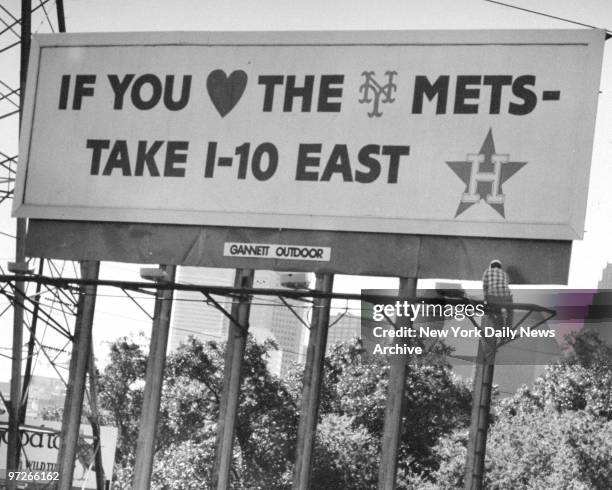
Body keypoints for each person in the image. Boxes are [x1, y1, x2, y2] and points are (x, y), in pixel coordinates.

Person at [482, 259, 513, 329]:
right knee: (510, 312)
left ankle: (496, 327)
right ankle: (508, 330)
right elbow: (507, 283)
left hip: (493, 298)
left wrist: (485, 299)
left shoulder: (487, 272)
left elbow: (485, 286)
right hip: (506, 298)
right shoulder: (505, 273)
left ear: (491, 266)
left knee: (495, 312)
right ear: (500, 266)